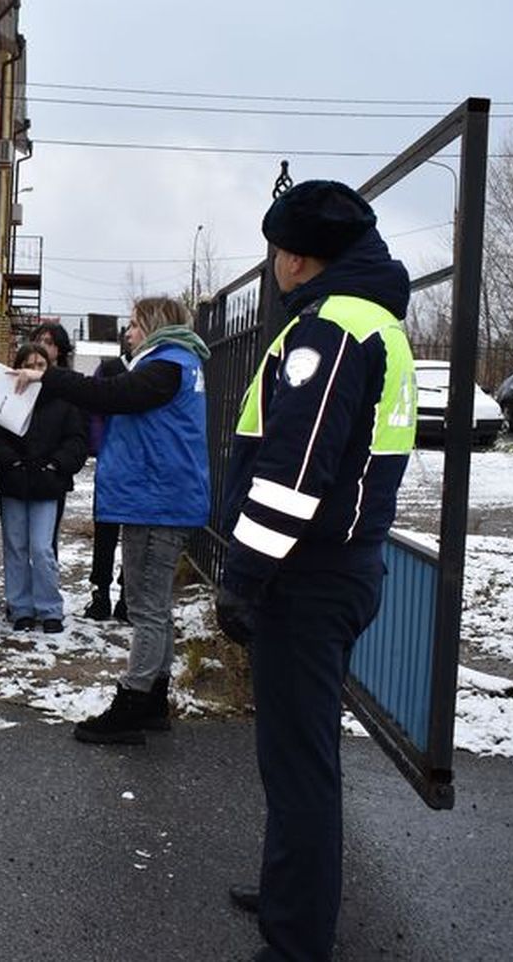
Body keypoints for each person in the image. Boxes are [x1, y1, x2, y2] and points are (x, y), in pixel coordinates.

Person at [214, 181, 416, 962]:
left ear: (295, 255)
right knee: (296, 753)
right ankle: (289, 892)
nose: (271, 264)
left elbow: (296, 467)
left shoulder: (329, 330)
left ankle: (294, 941)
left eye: (274, 250)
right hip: (338, 565)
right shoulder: (373, 321)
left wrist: (246, 573)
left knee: (299, 766)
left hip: (305, 575)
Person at [13, 295, 209, 744]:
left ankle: (135, 700)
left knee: (146, 607)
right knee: (152, 605)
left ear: (155, 325)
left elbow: (110, 395)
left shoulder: (168, 364)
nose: (129, 332)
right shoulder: (177, 361)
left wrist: (48, 375)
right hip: (155, 497)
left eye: (136, 324)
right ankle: (154, 699)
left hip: (157, 500)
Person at [0, 342, 88, 633]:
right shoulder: (6, 395)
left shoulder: (64, 400)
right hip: (14, 482)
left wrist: (56, 464)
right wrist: (11, 462)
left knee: (42, 548)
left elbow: (76, 440)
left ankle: (50, 607)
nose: (33, 370)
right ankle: (20, 607)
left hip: (47, 482)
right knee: (15, 546)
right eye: (28, 363)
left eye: (40, 365)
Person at [86, 340, 130, 622]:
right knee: (105, 530)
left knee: (136, 535)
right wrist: (102, 448)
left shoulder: (156, 369)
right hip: (113, 461)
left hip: (142, 464)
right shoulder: (111, 368)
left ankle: (128, 597)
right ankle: (100, 593)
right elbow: (94, 412)